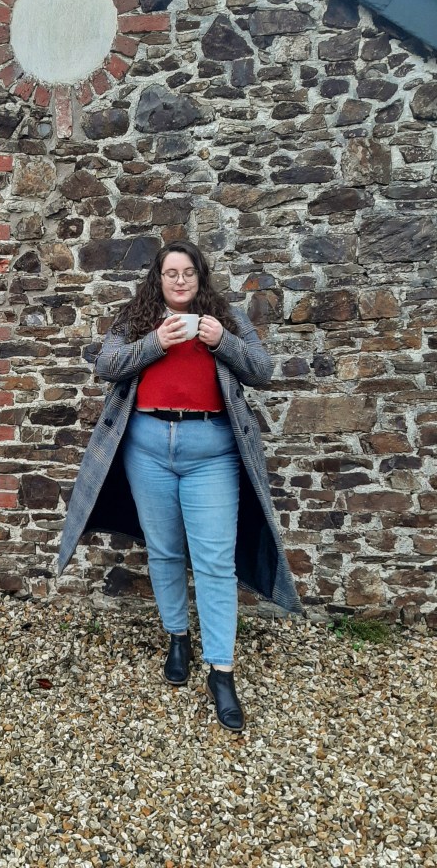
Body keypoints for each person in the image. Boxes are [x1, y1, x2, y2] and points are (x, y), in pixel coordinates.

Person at [58, 240, 302, 732]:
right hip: (147, 448)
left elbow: (264, 372)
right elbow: (106, 364)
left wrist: (220, 342)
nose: (180, 281)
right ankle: (177, 636)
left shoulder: (225, 317)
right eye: (171, 273)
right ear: (158, 278)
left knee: (214, 559)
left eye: (188, 272)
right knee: (166, 551)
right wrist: (156, 344)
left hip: (212, 451)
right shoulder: (137, 315)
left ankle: (221, 670)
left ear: (200, 275)